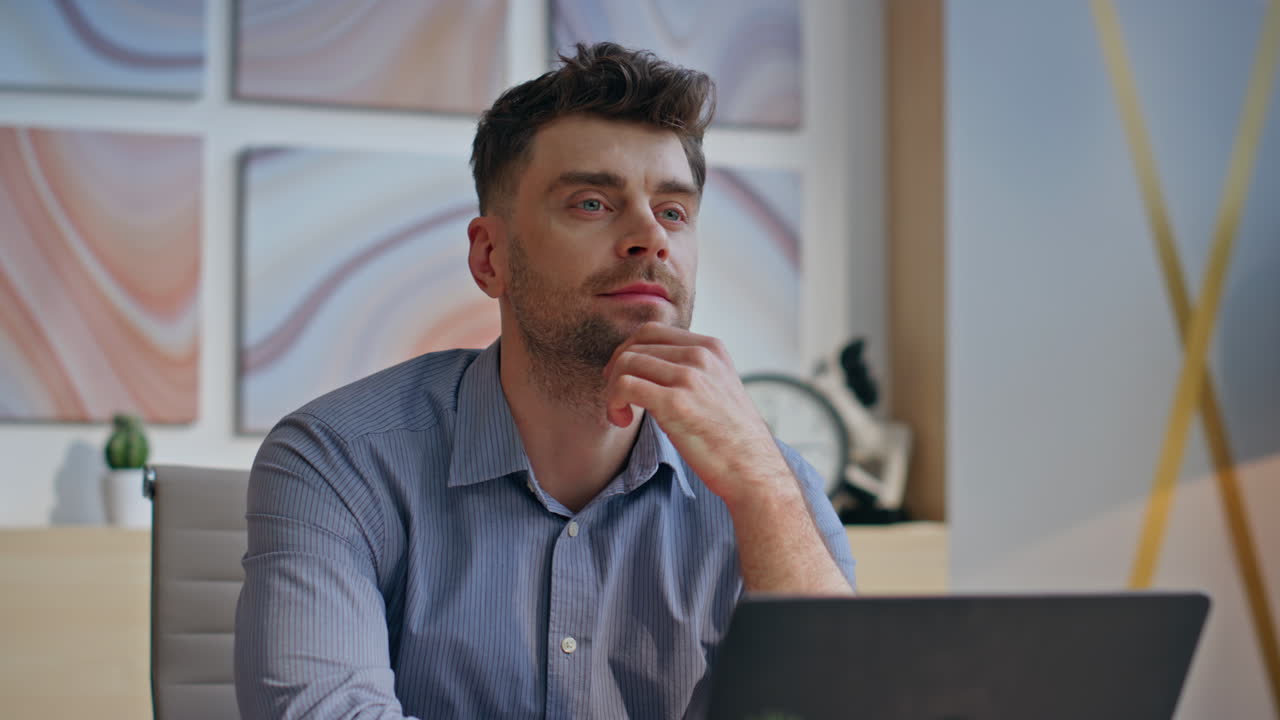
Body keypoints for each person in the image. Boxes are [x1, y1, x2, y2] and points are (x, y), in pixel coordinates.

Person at [234, 42, 856, 719]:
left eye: (673, 211)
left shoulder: (770, 483)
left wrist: (763, 489)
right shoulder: (338, 460)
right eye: (592, 203)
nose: (650, 237)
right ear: (490, 256)